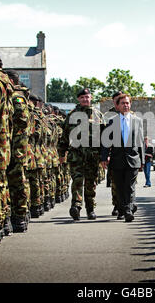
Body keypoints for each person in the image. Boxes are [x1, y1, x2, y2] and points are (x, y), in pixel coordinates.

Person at [58, 89, 105, 221]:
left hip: (93, 156)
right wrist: (62, 153)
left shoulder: (98, 115)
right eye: (82, 97)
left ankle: (90, 209)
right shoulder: (72, 115)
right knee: (77, 181)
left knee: (91, 183)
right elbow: (65, 136)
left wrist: (104, 155)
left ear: (91, 98)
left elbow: (105, 138)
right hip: (76, 155)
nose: (85, 99)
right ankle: (76, 206)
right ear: (78, 99)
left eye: (87, 97)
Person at [101, 94, 144, 222]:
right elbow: (105, 142)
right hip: (117, 159)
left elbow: (140, 141)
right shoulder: (112, 121)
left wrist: (142, 159)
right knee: (119, 187)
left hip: (133, 159)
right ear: (117, 106)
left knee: (129, 186)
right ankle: (123, 209)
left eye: (127, 103)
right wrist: (104, 158)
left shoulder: (137, 120)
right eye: (123, 103)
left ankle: (128, 210)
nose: (126, 105)